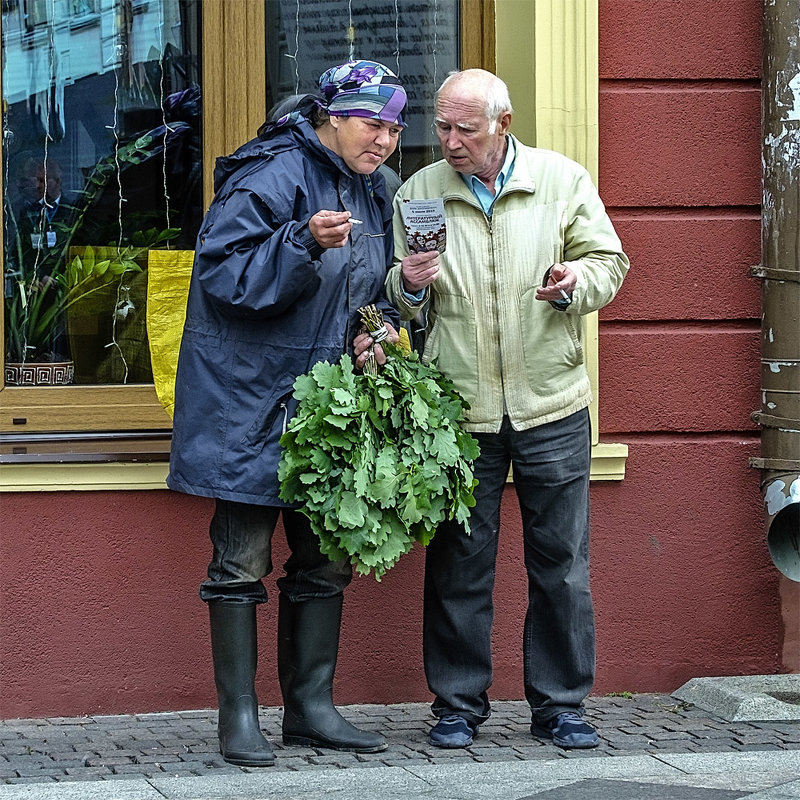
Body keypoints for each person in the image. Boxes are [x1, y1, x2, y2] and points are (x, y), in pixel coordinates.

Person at [167, 59, 406, 767]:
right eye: (372, 123)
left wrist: (379, 327)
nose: (386, 140)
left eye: (395, 127)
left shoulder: (377, 190)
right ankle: (239, 718)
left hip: (327, 402)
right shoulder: (268, 174)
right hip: (250, 401)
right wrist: (301, 241)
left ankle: (311, 709)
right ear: (332, 115)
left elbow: (368, 290)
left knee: (325, 561)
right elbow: (222, 276)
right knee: (239, 561)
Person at [385, 69, 629, 751]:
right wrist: (407, 286)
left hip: (551, 402)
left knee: (561, 564)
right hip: (459, 410)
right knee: (460, 564)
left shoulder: (560, 180)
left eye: (466, 128)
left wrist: (575, 282)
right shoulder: (419, 191)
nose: (450, 141)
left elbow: (609, 260)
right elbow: (398, 300)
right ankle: (458, 704)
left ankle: (560, 705)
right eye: (442, 126)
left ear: (503, 123)